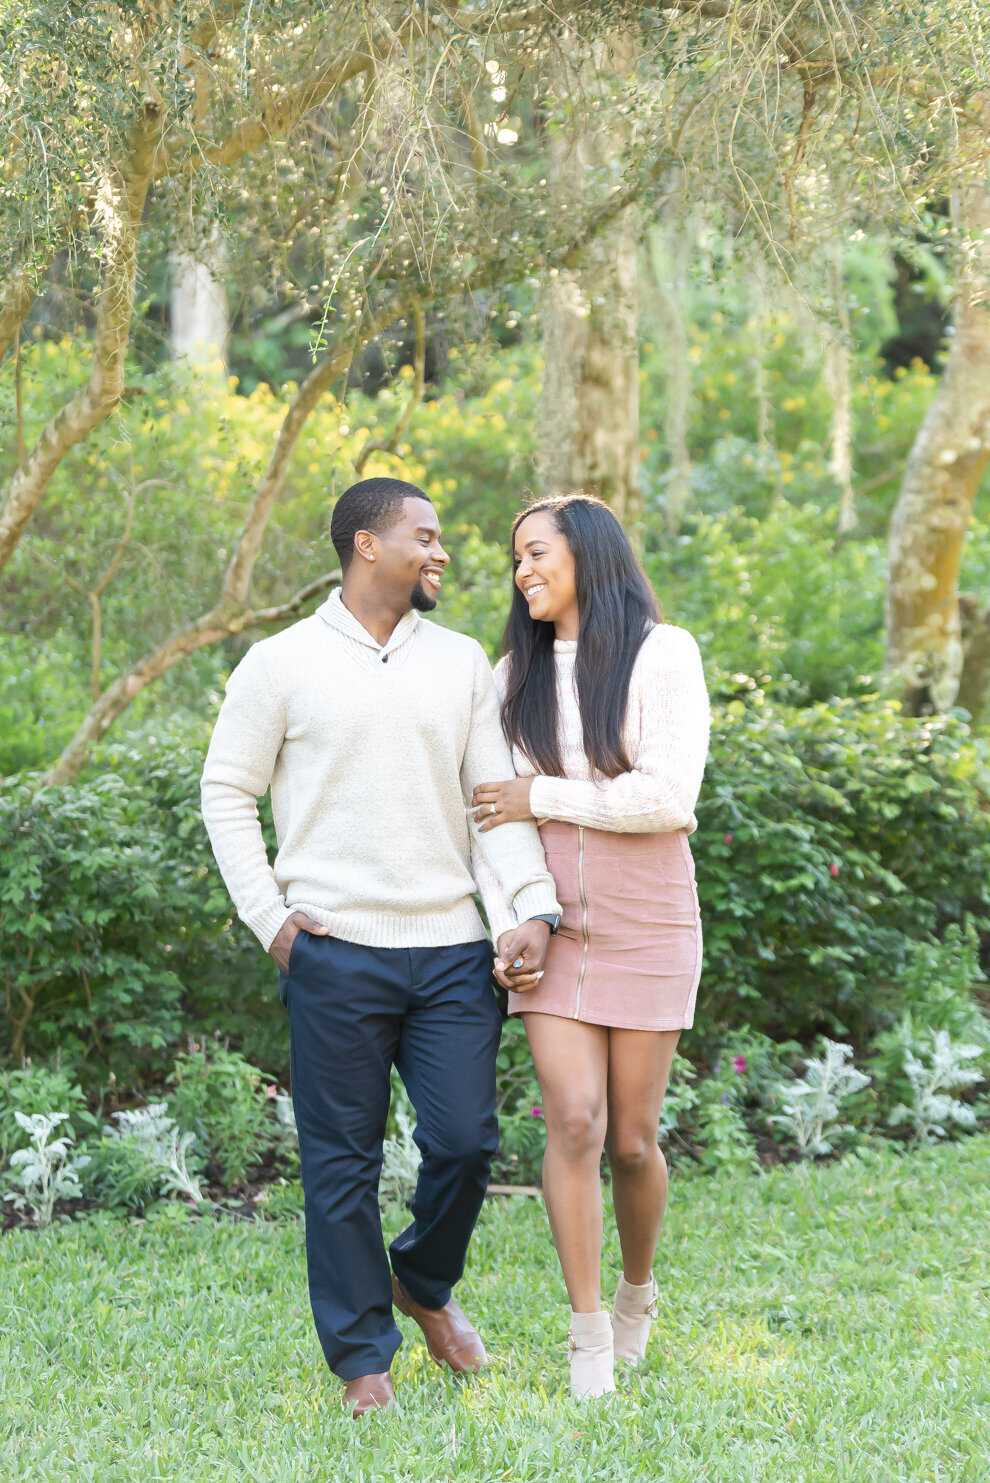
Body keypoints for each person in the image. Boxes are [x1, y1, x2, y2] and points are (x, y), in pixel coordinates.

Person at [200, 477, 562, 1417]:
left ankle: (424, 1280)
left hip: (450, 950)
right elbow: (225, 791)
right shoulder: (278, 664)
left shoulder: (461, 663)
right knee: (340, 1168)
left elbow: (493, 804)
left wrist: (530, 904)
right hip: (333, 952)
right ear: (368, 544)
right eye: (425, 535)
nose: (442, 552)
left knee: (466, 1140)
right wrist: (270, 918)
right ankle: (365, 1357)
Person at [470, 493, 709, 1399]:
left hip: (650, 913)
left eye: (535, 551)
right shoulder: (508, 677)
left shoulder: (662, 652)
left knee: (634, 1143)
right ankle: (587, 1335)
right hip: (549, 914)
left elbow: (667, 797)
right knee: (574, 1119)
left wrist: (546, 797)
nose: (522, 570)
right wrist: (514, 915)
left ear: (589, 552)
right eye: (514, 557)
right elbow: (489, 818)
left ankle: (636, 1293)